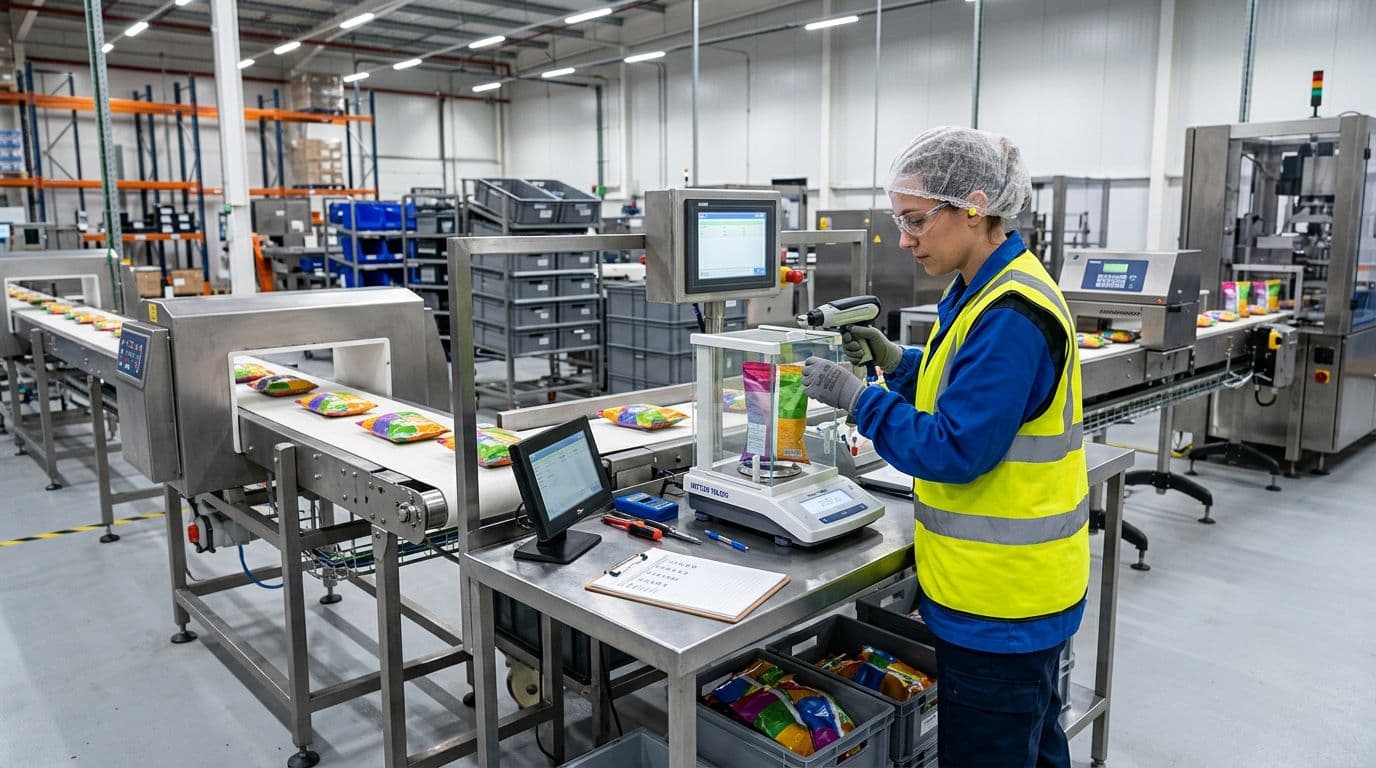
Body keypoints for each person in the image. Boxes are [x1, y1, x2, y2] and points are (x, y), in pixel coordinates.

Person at [802, 126, 1087, 768]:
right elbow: (960, 388)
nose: (904, 240)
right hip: (1013, 592)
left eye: (915, 221)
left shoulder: (1011, 313)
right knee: (1034, 748)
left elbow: (954, 448)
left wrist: (858, 398)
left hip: (1001, 602)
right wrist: (896, 362)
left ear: (974, 206)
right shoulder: (985, 287)